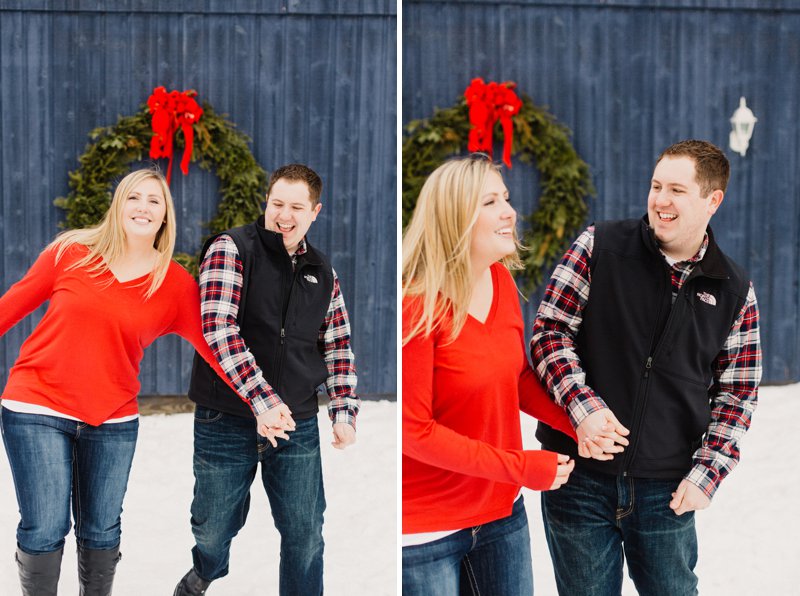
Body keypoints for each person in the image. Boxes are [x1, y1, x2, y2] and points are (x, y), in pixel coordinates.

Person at [531, 139, 762, 595]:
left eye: (677, 189)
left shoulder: (734, 290)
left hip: (667, 492)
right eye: (656, 186)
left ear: (713, 200)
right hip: (576, 477)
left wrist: (707, 475)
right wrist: (583, 408)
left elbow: (737, 395)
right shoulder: (600, 246)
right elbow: (549, 333)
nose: (660, 200)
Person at [0, 168, 244, 596]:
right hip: (37, 406)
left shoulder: (174, 284)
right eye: (134, 197)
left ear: (165, 216)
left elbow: (217, 351)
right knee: (46, 526)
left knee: (101, 530)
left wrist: (261, 401)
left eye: (154, 200)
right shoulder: (71, 252)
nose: (143, 207)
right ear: (119, 205)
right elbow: (11, 306)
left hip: (112, 418)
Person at [401, 156, 624, 595]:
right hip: (424, 531)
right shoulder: (417, 307)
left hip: (501, 515)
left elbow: (516, 375)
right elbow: (414, 432)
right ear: (455, 218)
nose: (510, 212)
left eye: (506, 198)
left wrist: (576, 422)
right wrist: (521, 467)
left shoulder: (499, 281)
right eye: (491, 202)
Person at [173, 163, 359, 596]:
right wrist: (261, 401)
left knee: (305, 531)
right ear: (267, 202)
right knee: (213, 527)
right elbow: (218, 327)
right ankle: (206, 570)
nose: (284, 215)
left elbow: (338, 345)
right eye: (277, 203)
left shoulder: (322, 270)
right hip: (227, 416)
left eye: (296, 206)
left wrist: (344, 411)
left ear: (316, 211)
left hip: (295, 422)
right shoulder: (232, 248)